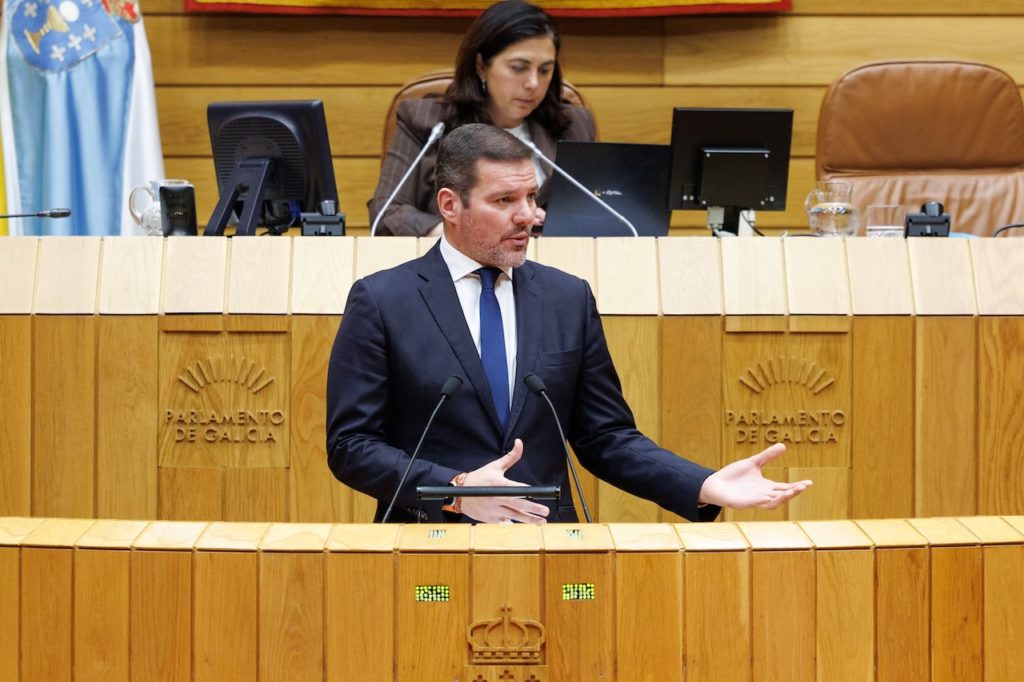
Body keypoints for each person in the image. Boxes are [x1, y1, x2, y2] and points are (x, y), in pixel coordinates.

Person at [328, 124, 812, 524]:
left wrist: (702, 483)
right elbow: (352, 446)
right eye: (504, 201)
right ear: (450, 205)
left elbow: (606, 437)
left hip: (552, 547)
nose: (528, 217)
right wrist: (455, 490)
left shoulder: (566, 298)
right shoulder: (383, 300)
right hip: (427, 549)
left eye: (531, 197)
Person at [367, 0, 596, 237]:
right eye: (519, 68)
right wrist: (460, 233)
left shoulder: (573, 126)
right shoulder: (427, 123)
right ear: (481, 66)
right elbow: (387, 212)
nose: (533, 83)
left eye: (544, 70)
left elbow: (596, 216)